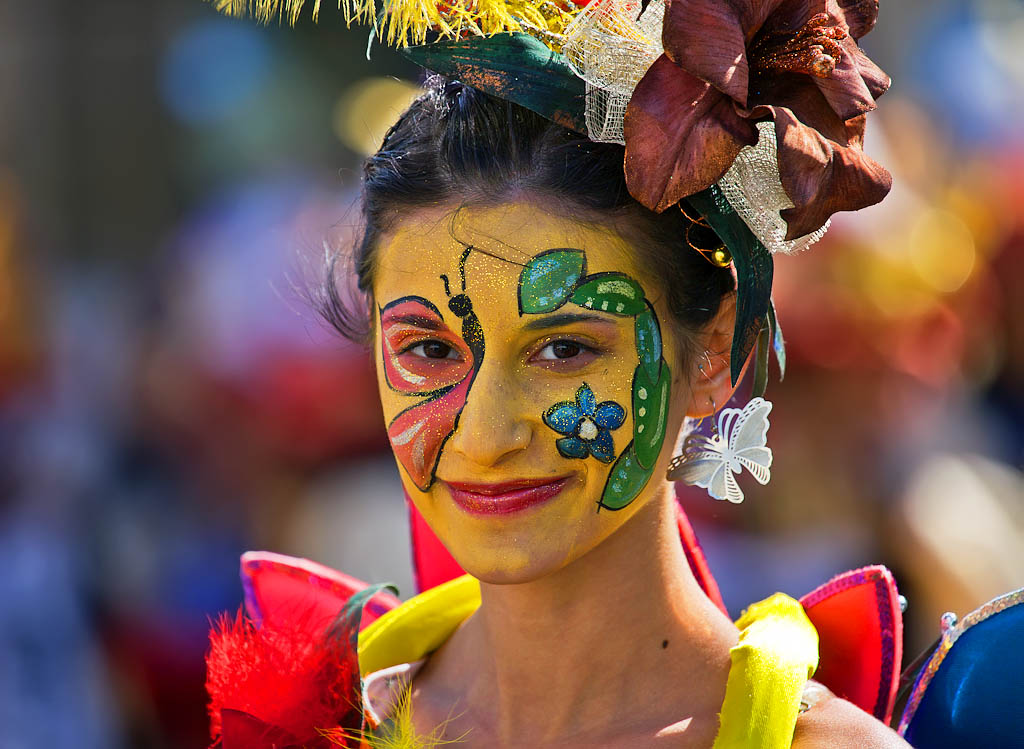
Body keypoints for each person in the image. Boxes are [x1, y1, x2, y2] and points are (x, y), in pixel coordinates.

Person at [202, 1, 944, 747]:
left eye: (564, 350)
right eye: (429, 350)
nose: (486, 434)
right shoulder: (316, 724)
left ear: (715, 354)